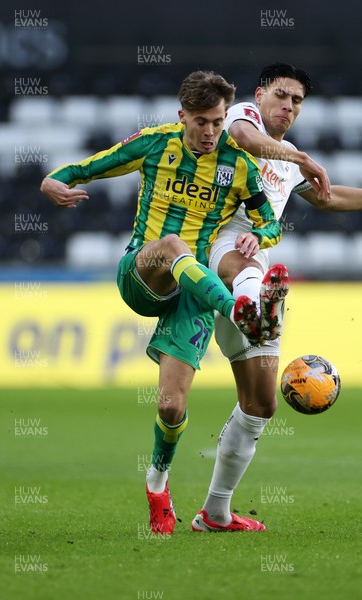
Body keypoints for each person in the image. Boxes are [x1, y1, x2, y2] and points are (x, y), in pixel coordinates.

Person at [191, 63, 362, 533]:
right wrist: (302, 158)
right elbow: (245, 139)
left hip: (253, 270)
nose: (288, 106)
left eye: (297, 101)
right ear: (260, 93)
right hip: (209, 252)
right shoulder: (240, 119)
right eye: (282, 95)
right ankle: (253, 306)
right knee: (244, 257)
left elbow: (329, 198)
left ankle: (215, 513)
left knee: (261, 405)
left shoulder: (286, 155)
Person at [40, 70, 289, 535]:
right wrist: (52, 181)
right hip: (145, 269)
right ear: (182, 117)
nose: (211, 132)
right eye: (201, 122)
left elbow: (271, 223)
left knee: (172, 406)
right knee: (176, 244)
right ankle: (240, 310)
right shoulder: (155, 144)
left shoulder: (240, 166)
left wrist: (259, 235)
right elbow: (85, 168)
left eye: (218, 121)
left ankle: (157, 485)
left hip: (191, 293)